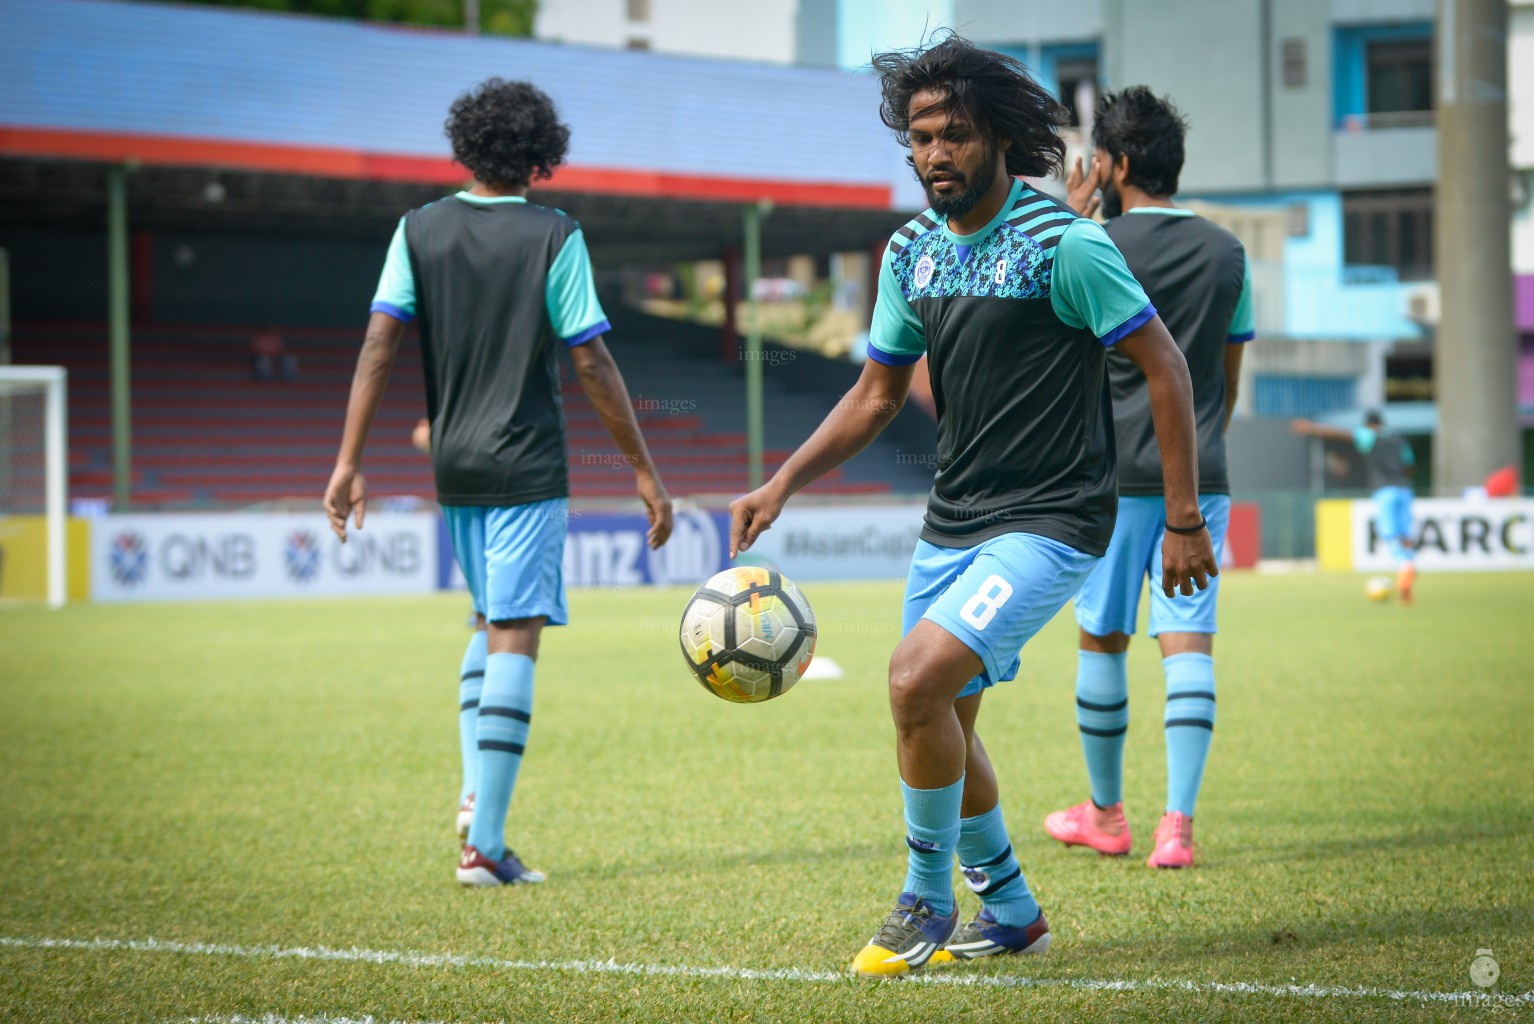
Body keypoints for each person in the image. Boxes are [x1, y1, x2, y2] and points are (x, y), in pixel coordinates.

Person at [729, 36, 1215, 976]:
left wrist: (1185, 518)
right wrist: (782, 480)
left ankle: (923, 900)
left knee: (914, 682)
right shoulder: (909, 251)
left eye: (954, 134)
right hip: (953, 522)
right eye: (920, 137)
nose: (935, 153)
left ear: (996, 136)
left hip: (1055, 521)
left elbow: (1167, 368)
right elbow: (876, 394)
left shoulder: (1065, 244)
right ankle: (1016, 910)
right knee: (943, 717)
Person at [324, 77, 673, 888]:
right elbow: (589, 357)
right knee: (517, 631)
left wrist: (348, 460)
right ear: (542, 155)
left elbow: (378, 347)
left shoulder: (417, 229)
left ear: (465, 146)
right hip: (525, 462)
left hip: (454, 463)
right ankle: (484, 844)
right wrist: (644, 470)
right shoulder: (554, 235)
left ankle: (475, 792)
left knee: (486, 620)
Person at [1042, 87, 1254, 870]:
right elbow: (1224, 382)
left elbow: (1059, 361)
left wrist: (1071, 215)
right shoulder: (1229, 253)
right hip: (1198, 483)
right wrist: (1194, 472)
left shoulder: (1087, 245)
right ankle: (1178, 829)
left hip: (1105, 482)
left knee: (1102, 635)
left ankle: (1105, 815)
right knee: (1188, 642)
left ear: (1115, 164)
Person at [1292, 411, 1417, 601]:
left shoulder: (1370, 434)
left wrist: (1310, 428)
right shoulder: (1399, 439)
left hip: (1385, 490)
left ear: (1369, 425)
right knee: (1405, 533)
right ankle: (1410, 563)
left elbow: (1341, 434)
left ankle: (1405, 567)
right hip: (1405, 489)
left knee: (1389, 534)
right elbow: (1409, 464)